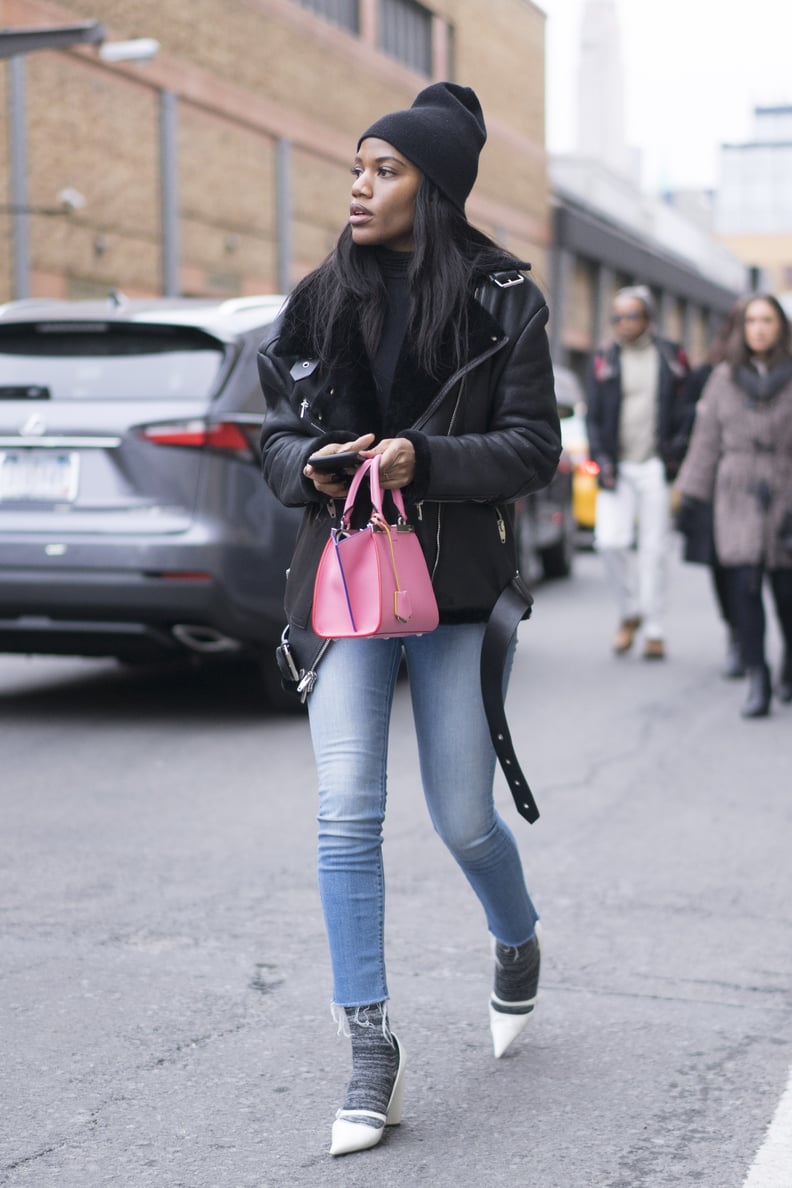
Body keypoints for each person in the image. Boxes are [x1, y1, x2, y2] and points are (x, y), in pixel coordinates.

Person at [256, 82, 560, 1157]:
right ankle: (370, 1052)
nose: (359, 185)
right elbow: (274, 433)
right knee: (345, 810)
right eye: (356, 166)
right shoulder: (321, 296)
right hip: (344, 583)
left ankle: (516, 940)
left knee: (464, 818)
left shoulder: (503, 299)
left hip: (453, 589)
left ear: (433, 188)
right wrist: (317, 463)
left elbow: (534, 448)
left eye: (384, 170)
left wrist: (424, 460)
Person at [676, 294, 792, 718]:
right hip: (736, 491)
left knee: (785, 592)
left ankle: (788, 665)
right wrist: (690, 497)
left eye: (768, 320)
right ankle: (757, 677)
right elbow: (706, 443)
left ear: (780, 326)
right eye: (753, 321)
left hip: (785, 488)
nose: (760, 328)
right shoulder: (724, 378)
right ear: (742, 328)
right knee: (743, 586)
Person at [586, 285, 691, 660]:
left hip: (655, 465)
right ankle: (630, 611)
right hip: (617, 466)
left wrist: (676, 454)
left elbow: (686, 409)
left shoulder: (671, 355)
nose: (623, 323)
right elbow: (594, 416)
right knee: (609, 542)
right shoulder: (604, 357)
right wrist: (601, 458)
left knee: (654, 549)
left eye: (631, 315)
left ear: (647, 318)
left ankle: (654, 627)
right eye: (617, 316)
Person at [678, 302, 746, 678]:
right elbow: (686, 421)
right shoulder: (710, 374)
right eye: (745, 323)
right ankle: (737, 634)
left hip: (770, 485)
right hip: (717, 483)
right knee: (722, 565)